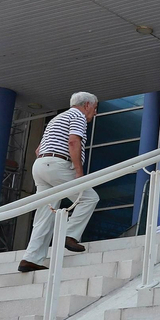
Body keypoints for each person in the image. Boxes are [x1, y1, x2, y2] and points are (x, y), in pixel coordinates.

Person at [19, 91, 100, 272]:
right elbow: (73, 142)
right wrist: (79, 171)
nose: (95, 113)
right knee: (89, 198)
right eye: (95, 108)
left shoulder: (57, 119)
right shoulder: (77, 116)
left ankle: (30, 258)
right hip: (57, 164)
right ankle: (69, 235)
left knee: (44, 215)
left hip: (40, 166)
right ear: (87, 105)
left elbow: (38, 149)